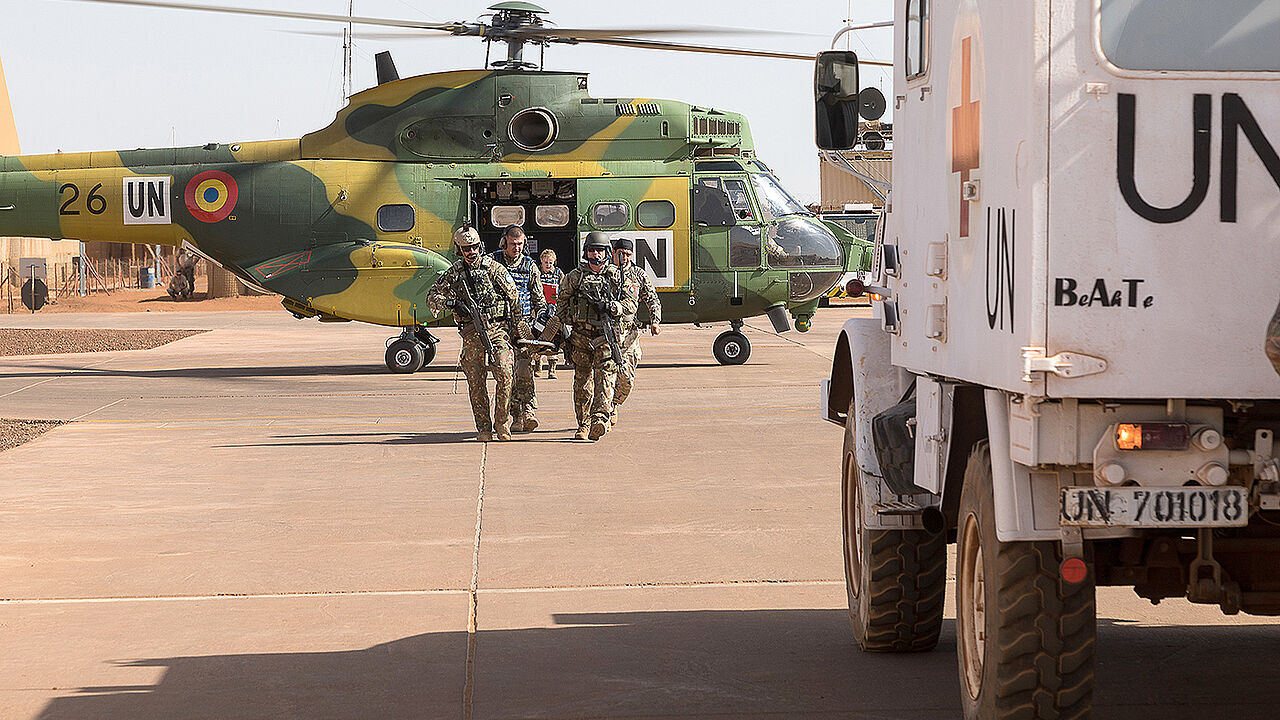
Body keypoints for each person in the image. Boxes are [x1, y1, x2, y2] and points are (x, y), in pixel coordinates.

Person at [425, 226, 522, 442]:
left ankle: (502, 422)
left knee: (506, 374)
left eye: (475, 247)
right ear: (460, 249)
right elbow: (431, 297)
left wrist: (516, 331)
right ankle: (484, 428)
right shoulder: (455, 273)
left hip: (497, 330)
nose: (472, 251)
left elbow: (514, 298)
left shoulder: (493, 269)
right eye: (466, 248)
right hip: (471, 333)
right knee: (476, 382)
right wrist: (452, 303)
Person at [550, 232, 639, 441]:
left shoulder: (618, 276)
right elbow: (561, 304)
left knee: (606, 378)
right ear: (586, 252)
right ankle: (583, 424)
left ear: (607, 252)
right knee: (582, 383)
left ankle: (600, 417)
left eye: (599, 250)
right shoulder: (574, 276)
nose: (595, 255)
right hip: (581, 337)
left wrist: (612, 306)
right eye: (591, 250)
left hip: (606, 337)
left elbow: (631, 304)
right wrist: (557, 332)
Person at [490, 225, 545, 432]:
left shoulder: (530, 266)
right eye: (513, 244)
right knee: (506, 374)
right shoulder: (492, 262)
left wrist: (541, 322)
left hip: (523, 327)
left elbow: (539, 300)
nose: (517, 248)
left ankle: (528, 411)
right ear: (504, 242)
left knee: (523, 369)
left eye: (520, 244)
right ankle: (516, 415)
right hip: (499, 327)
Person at [610, 237, 662, 426]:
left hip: (629, 336)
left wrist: (655, 321)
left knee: (626, 379)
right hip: (606, 334)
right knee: (603, 375)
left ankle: (614, 403)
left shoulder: (638, 274)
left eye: (628, 254)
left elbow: (652, 298)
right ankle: (604, 410)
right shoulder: (606, 273)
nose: (624, 257)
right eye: (620, 253)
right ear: (613, 252)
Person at [536, 248, 566, 379]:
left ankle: (552, 368)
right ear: (541, 261)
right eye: (546, 262)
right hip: (539, 309)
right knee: (537, 335)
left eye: (551, 263)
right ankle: (537, 364)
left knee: (553, 336)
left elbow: (565, 289)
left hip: (554, 309)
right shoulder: (536, 272)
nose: (548, 265)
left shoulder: (559, 274)